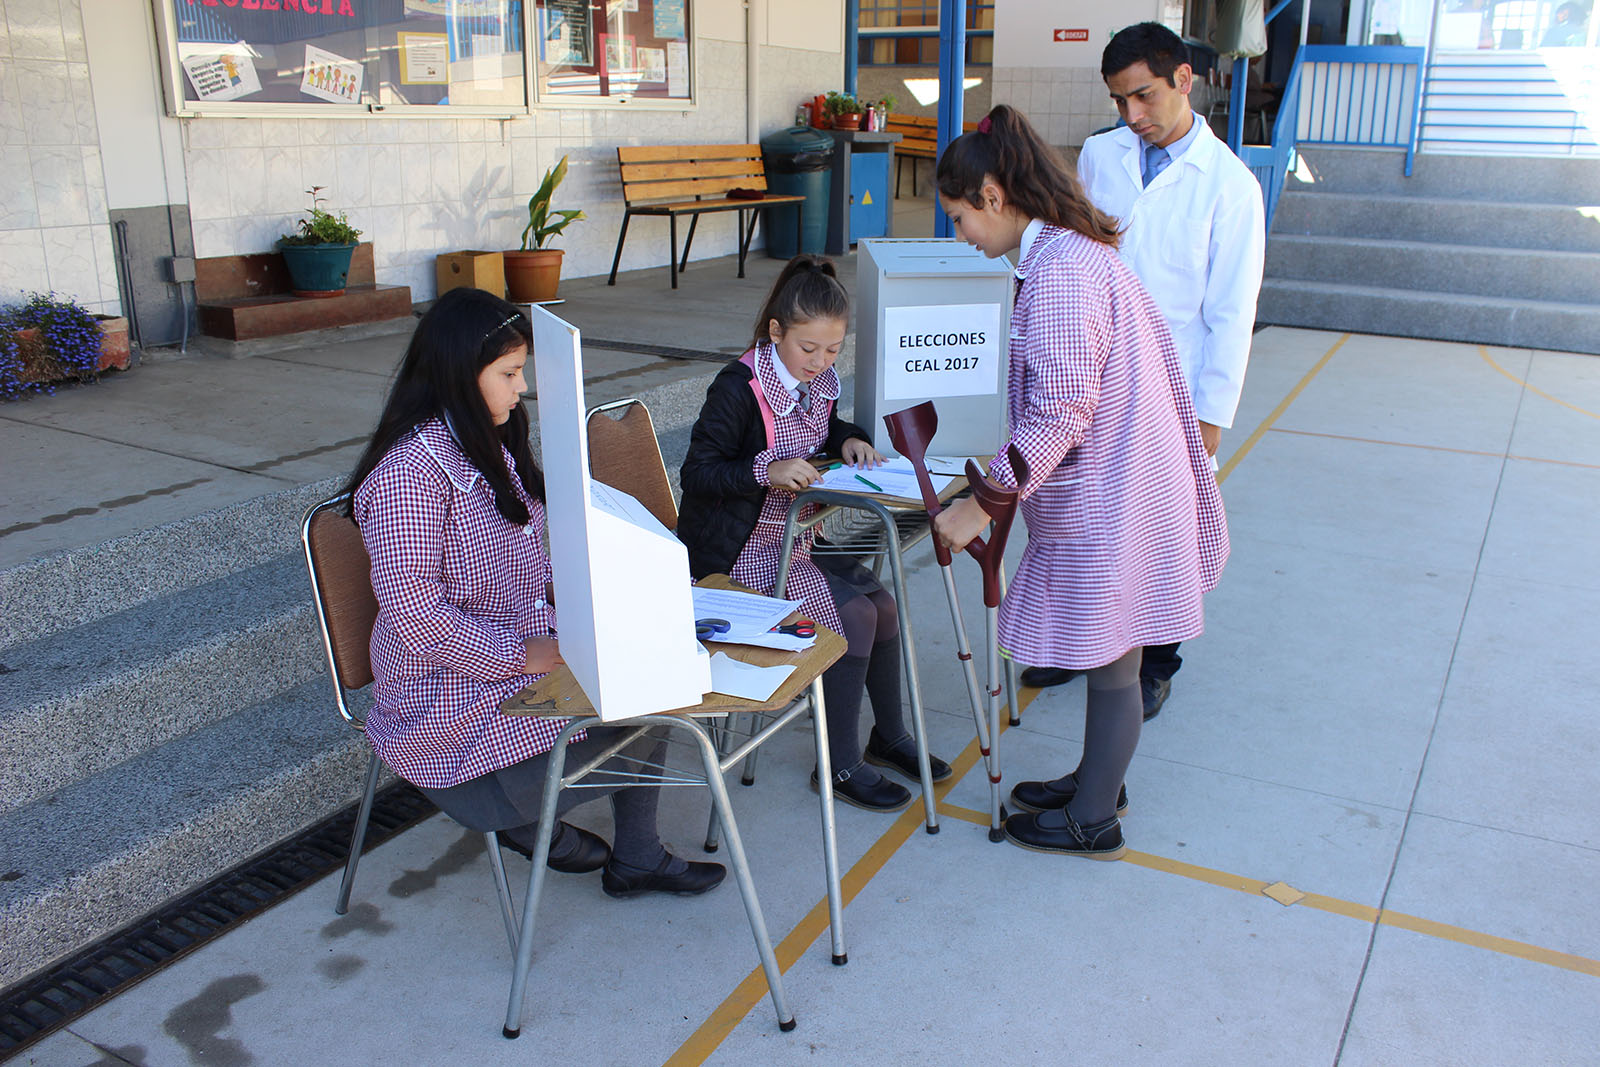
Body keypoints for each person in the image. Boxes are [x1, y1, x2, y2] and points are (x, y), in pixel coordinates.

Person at [345, 287, 724, 898]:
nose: (520, 388)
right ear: (458, 373)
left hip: (512, 655)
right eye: (509, 373)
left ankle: (626, 853)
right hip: (448, 695)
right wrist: (523, 654)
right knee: (646, 703)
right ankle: (552, 829)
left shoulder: (480, 439)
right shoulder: (407, 476)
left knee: (649, 680)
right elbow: (415, 614)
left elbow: (530, 555)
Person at [931, 105, 1228, 859]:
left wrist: (982, 502)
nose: (961, 234)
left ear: (995, 197)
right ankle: (1099, 780)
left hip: (1115, 491)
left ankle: (1093, 817)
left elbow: (1062, 407)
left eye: (961, 217)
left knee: (1114, 653)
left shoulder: (1062, 271)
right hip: (1126, 480)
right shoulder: (1069, 253)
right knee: (1111, 650)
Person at [1020, 21, 1263, 723]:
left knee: (1163, 536)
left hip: (1175, 392)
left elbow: (1230, 313)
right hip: (1093, 377)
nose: (1133, 116)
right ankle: (1079, 641)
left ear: (1185, 79)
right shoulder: (1101, 156)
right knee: (1081, 516)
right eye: (1120, 100)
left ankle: (1156, 663)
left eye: (1145, 97)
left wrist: (1210, 421)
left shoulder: (1231, 187)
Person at [676, 255, 953, 813]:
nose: (821, 362)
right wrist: (766, 469)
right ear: (776, 332)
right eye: (809, 349)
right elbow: (697, 472)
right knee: (854, 616)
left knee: (884, 608)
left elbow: (826, 429)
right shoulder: (738, 387)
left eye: (833, 351)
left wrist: (849, 439)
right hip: (740, 552)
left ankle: (887, 736)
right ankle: (840, 763)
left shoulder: (815, 380)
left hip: (796, 537)